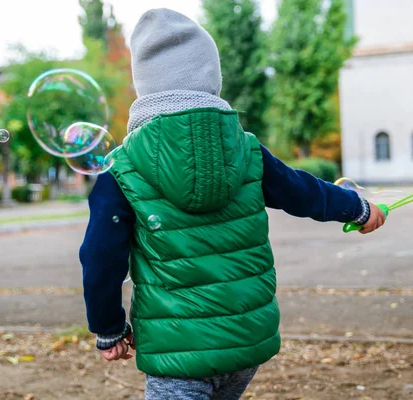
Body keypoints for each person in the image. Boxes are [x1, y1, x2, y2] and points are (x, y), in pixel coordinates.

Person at [79, 8, 386, 400]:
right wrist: (355, 208)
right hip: (246, 340)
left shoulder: (122, 168)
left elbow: (100, 256)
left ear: (144, 85)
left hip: (178, 351)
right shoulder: (247, 149)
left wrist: (109, 327)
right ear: (212, 77)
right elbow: (301, 191)